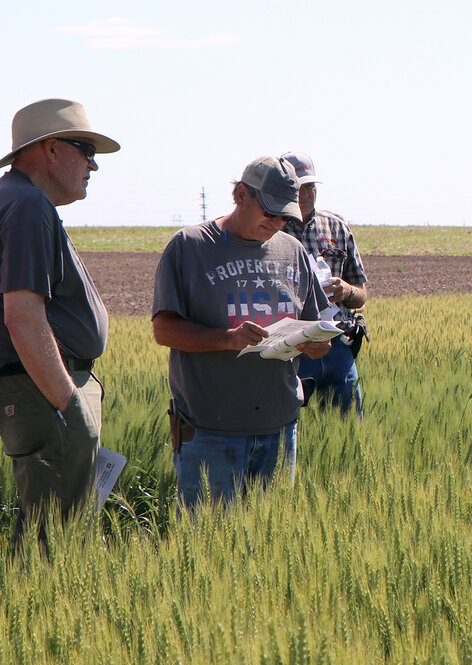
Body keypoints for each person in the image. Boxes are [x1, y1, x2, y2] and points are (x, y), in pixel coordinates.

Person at [152, 156, 332, 508]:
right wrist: (228, 338)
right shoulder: (190, 247)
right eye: (269, 211)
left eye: (284, 216)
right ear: (240, 195)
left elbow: (315, 326)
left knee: (272, 545)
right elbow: (164, 330)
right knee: (207, 546)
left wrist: (315, 346)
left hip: (280, 427)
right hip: (209, 433)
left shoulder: (293, 252)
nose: (276, 222)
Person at [0, 99, 119, 544]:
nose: (93, 165)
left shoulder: (17, 200)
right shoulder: (27, 205)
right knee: (55, 542)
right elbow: (23, 317)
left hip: (37, 391)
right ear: (50, 150)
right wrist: (68, 403)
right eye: (84, 150)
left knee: (49, 537)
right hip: (45, 393)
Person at [279, 151, 368, 416]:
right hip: (291, 351)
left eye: (310, 186)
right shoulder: (270, 230)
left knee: (348, 430)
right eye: (296, 187)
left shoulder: (338, 228)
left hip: (338, 346)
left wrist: (347, 291)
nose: (304, 194)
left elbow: (362, 295)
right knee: (292, 431)